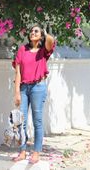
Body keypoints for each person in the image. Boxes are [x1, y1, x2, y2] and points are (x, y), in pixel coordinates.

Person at [12, 24, 55, 164]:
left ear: (41, 35)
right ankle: (23, 151)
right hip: (24, 88)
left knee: (37, 121)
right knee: (21, 122)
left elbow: (51, 42)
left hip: (38, 87)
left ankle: (36, 152)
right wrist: (17, 92)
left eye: (36, 31)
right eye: (31, 31)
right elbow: (17, 72)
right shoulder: (22, 50)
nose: (32, 33)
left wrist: (45, 32)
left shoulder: (43, 51)